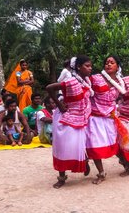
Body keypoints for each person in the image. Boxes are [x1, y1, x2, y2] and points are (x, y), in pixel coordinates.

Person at [46, 55, 92, 189]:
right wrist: (59, 105)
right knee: (62, 148)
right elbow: (49, 88)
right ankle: (61, 177)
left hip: (80, 119)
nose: (90, 68)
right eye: (87, 66)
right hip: (65, 119)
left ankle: (84, 161)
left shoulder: (87, 83)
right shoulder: (71, 81)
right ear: (78, 67)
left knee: (78, 145)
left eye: (90, 66)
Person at [86, 55, 127, 184]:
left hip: (110, 118)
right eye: (107, 62)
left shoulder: (121, 82)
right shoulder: (95, 78)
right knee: (95, 145)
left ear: (117, 67)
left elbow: (120, 98)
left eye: (112, 62)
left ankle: (127, 165)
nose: (109, 64)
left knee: (114, 145)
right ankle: (101, 173)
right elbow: (84, 90)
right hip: (95, 117)